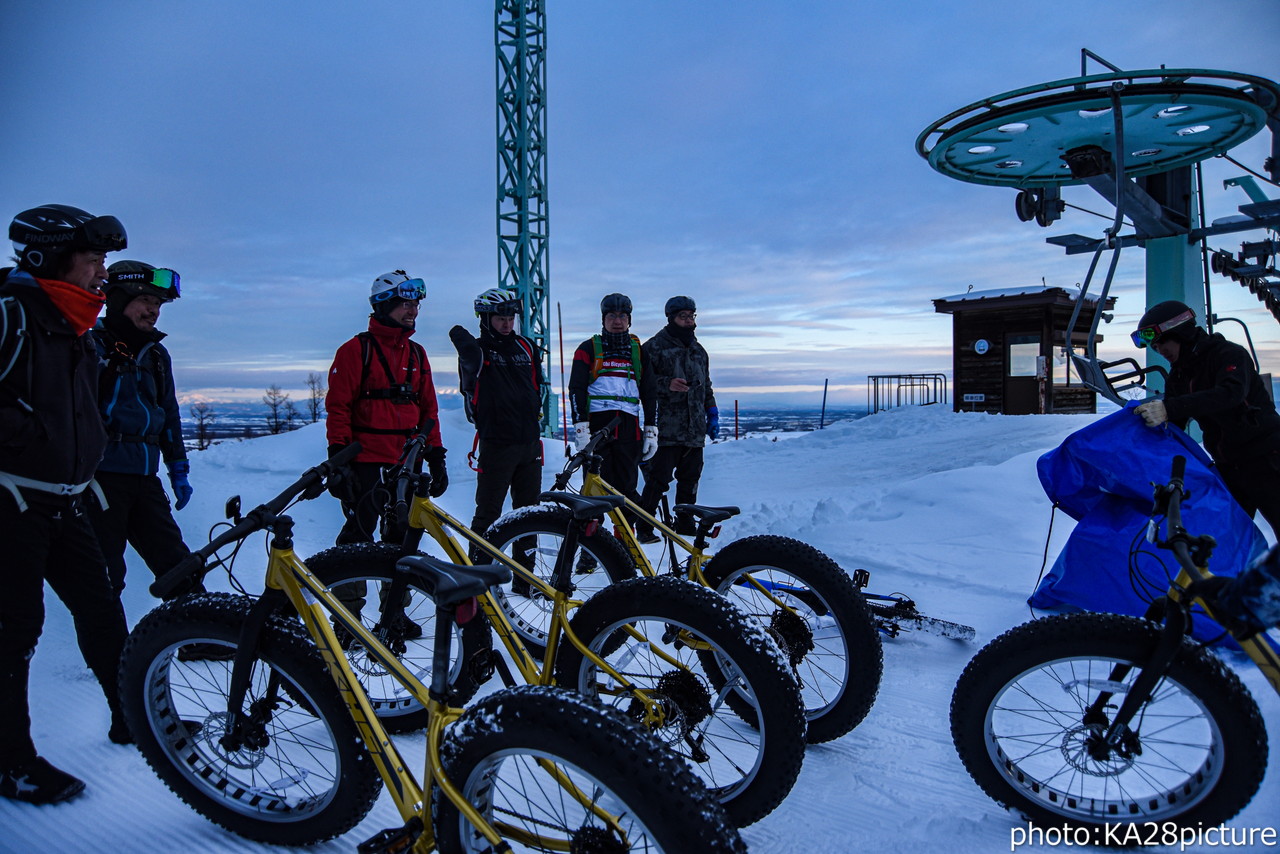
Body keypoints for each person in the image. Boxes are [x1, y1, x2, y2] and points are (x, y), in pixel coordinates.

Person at [0, 204, 131, 804]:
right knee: (15, 630)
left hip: (66, 500)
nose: (102, 271)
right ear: (48, 255)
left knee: (101, 610)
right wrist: (28, 437)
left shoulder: (76, 323)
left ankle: (133, 716)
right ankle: (12, 761)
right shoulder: (11, 313)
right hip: (12, 499)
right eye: (93, 257)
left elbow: (73, 410)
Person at [325, 271, 447, 638]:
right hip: (364, 462)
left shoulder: (416, 353)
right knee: (358, 540)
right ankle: (347, 619)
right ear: (385, 305)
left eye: (416, 304)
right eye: (406, 303)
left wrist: (436, 455)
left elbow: (429, 409)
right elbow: (339, 407)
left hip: (407, 462)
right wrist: (338, 458)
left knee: (402, 541)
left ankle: (394, 613)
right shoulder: (354, 351)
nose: (414, 310)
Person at [88, 261, 193, 605]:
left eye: (159, 304)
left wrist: (178, 466)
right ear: (117, 299)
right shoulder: (90, 348)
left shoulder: (156, 355)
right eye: (146, 300)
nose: (154, 311)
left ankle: (204, 638)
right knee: (104, 575)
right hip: (99, 480)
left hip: (144, 478)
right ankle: (113, 653)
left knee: (178, 564)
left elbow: (168, 414)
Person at [1132, 300, 1280, 534]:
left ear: (1181, 332)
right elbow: (1175, 427)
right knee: (1226, 538)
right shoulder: (1179, 375)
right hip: (1229, 467)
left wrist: (1169, 408)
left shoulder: (1228, 354)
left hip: (1267, 460)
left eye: (1161, 342)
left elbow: (1230, 394)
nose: (1159, 350)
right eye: (1154, 347)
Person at [449, 288, 544, 562]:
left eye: (511, 316)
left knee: (529, 516)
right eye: (500, 317)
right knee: (488, 514)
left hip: (529, 443)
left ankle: (525, 583)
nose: (507, 322)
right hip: (497, 443)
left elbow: (537, 385)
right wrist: (462, 340)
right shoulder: (478, 351)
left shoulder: (527, 346)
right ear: (486, 317)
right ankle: (477, 584)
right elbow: (469, 381)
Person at [567, 293, 658, 531]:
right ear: (603, 319)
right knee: (595, 488)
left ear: (629, 320)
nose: (617, 321)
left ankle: (624, 549)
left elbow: (649, 390)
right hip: (598, 425)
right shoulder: (588, 348)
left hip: (628, 426)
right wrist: (581, 427)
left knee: (627, 488)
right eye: (611, 316)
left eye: (622, 316)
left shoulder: (638, 351)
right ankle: (590, 549)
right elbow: (576, 388)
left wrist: (651, 428)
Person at [634, 296, 718, 542]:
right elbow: (641, 384)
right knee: (658, 481)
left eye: (692, 316)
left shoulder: (699, 351)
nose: (689, 321)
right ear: (671, 318)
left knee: (690, 479)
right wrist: (667, 383)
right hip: (666, 429)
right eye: (683, 316)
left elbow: (706, 387)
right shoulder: (654, 347)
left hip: (694, 430)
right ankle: (645, 526)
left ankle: (685, 522)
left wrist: (711, 412)